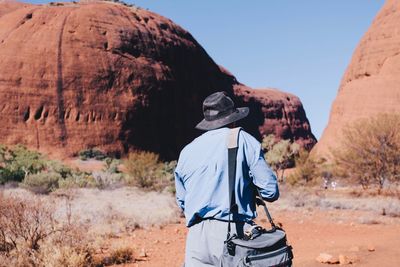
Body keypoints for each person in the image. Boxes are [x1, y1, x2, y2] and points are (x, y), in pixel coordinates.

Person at [174, 91, 279, 266]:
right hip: (233, 232)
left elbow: (182, 201)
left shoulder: (187, 150)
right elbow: (270, 191)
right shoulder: (244, 140)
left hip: (196, 238)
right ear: (233, 119)